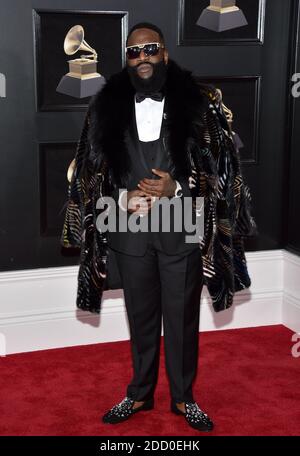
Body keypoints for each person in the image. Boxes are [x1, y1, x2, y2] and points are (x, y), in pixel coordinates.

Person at [61, 22, 257, 432]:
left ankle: (184, 399)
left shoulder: (199, 104)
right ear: (127, 59)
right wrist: (120, 199)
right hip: (129, 226)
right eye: (134, 51)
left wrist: (179, 185)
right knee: (142, 316)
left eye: (150, 49)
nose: (142, 57)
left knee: (183, 318)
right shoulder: (103, 108)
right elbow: (87, 177)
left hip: (181, 219)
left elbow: (222, 167)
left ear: (164, 54)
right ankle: (139, 393)